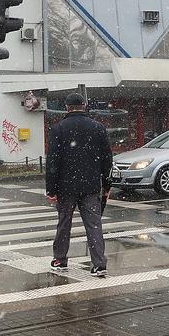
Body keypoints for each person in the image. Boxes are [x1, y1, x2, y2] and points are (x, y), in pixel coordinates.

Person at [46, 94, 113, 277]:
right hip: (91, 186)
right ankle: (99, 264)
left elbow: (53, 161)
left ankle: (60, 259)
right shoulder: (98, 128)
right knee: (94, 226)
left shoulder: (58, 129)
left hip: (65, 187)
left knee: (64, 224)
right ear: (84, 106)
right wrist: (107, 185)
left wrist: (51, 190)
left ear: (67, 107)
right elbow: (107, 159)